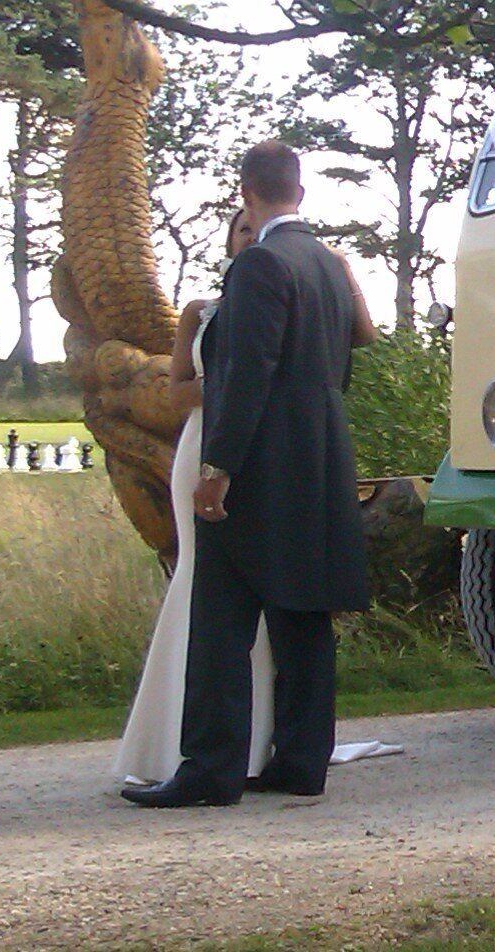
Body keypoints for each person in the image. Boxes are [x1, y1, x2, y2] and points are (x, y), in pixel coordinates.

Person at [123, 143, 375, 809]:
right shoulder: (326, 264)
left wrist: (218, 467)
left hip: (261, 467)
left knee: (221, 620)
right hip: (320, 458)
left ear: (246, 193)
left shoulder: (260, 262)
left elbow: (247, 373)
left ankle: (210, 769)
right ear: (300, 191)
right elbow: (344, 355)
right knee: (301, 616)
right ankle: (299, 762)